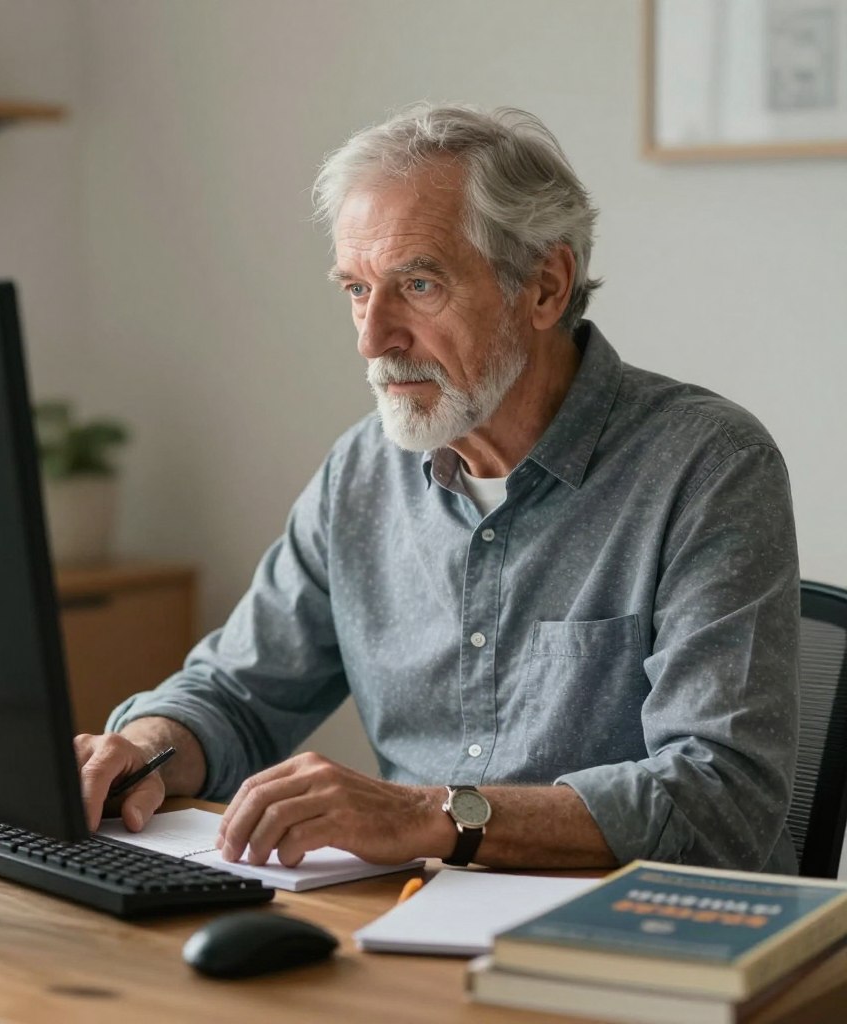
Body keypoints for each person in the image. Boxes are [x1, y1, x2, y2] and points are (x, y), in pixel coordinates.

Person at [74, 105, 799, 875]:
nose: (371, 337)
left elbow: (723, 796)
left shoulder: (708, 465)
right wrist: (147, 748)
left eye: (417, 285)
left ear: (546, 287)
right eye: (357, 288)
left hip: (639, 946)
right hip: (413, 931)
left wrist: (431, 815)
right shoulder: (362, 472)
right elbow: (239, 694)